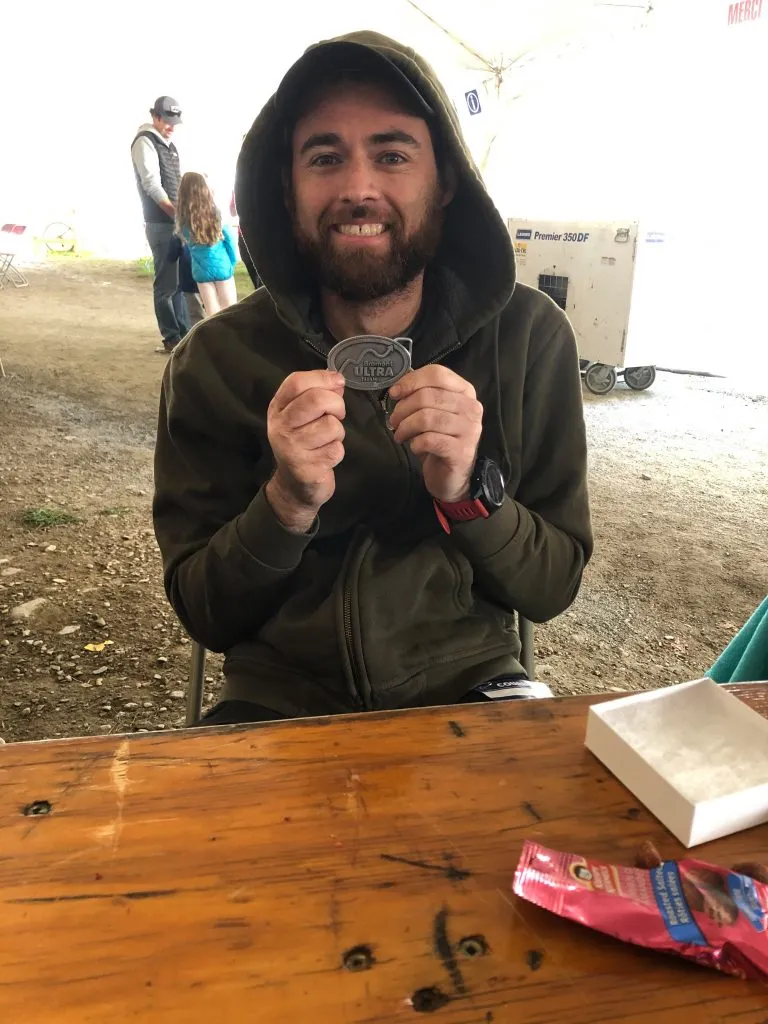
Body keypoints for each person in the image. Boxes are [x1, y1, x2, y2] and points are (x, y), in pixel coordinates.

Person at [153, 31, 593, 726]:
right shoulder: (213, 361)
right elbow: (207, 614)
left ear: (446, 181)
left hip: (473, 681)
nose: (358, 189)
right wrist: (286, 505)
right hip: (276, 696)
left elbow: (552, 586)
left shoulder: (529, 338)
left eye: (392, 155)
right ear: (287, 188)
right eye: (325, 158)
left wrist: (468, 495)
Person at [131, 96, 189, 353]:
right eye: (166, 121)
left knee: (179, 283)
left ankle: (184, 335)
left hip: (175, 222)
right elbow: (151, 184)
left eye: (174, 122)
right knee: (166, 285)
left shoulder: (169, 145)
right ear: (155, 117)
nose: (171, 126)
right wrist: (175, 213)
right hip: (160, 222)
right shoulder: (145, 142)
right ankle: (171, 337)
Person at [175, 172, 238, 316]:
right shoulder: (217, 214)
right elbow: (230, 241)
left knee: (212, 313)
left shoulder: (183, 220)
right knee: (231, 311)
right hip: (222, 267)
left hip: (200, 272)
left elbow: (189, 246)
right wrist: (232, 262)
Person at [167, 235, 205, 329]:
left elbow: (171, 257)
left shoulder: (179, 235)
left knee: (196, 314)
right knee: (215, 310)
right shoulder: (210, 228)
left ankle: (201, 335)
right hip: (213, 277)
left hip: (190, 279)